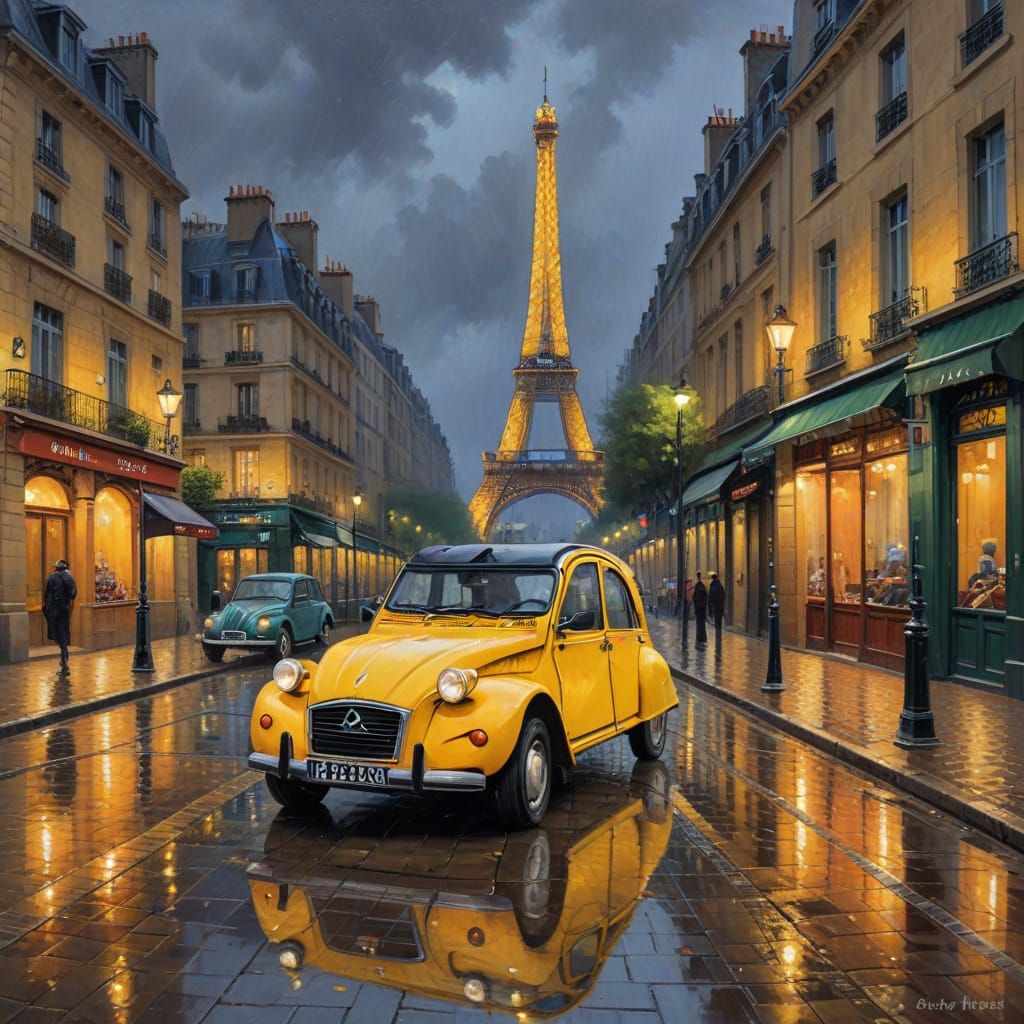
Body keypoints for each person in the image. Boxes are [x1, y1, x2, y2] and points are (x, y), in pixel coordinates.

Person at [43, 559, 77, 674]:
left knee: (57, 635)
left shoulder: (51, 578)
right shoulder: (69, 577)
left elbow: (46, 595)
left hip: (54, 610)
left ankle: (64, 662)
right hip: (64, 610)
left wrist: (47, 609)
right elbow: (73, 594)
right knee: (63, 633)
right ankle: (64, 659)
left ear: (56, 568)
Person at [692, 571, 708, 645]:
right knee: (702, 624)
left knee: (699, 623)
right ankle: (703, 638)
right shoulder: (702, 586)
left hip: (698, 608)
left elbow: (694, 598)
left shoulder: (697, 587)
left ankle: (699, 638)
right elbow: (706, 597)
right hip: (702, 608)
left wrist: (696, 604)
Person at [708, 572, 726, 638]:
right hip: (720, 604)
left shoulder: (712, 586)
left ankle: (717, 632)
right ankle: (719, 631)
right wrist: (722, 602)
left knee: (716, 617)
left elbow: (711, 596)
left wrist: (711, 604)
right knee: (719, 618)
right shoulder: (720, 585)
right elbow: (723, 594)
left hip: (715, 605)